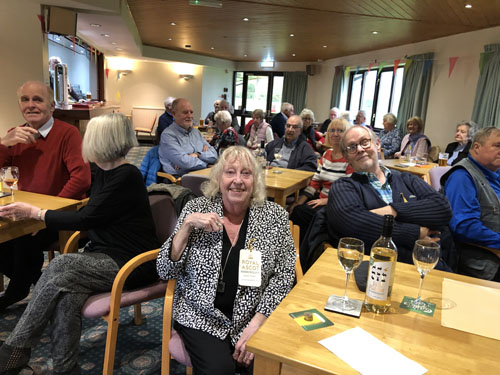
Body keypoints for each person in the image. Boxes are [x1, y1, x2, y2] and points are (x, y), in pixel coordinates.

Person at [0, 113, 160, 375]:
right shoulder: (102, 172)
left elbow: (86, 218)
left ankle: (13, 350)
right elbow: (88, 211)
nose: (84, 141)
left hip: (132, 262)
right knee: (66, 292)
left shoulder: (126, 176)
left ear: (100, 140)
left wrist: (36, 214)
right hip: (103, 256)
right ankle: (65, 368)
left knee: (61, 265)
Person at [156, 146, 295, 375]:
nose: (238, 181)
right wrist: (186, 227)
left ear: (256, 180)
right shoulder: (196, 209)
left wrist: (259, 322)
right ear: (219, 178)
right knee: (219, 370)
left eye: (246, 173)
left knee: (268, 369)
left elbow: (284, 274)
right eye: (230, 172)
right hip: (201, 317)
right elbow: (164, 269)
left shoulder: (274, 216)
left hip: (253, 315)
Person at [0, 81, 91, 311]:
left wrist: (46, 214)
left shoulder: (67, 133)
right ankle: (36, 283)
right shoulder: (15, 135)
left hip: (59, 214)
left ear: (51, 106)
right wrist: (3, 144)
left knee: (22, 238)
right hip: (23, 210)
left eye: (37, 100)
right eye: (25, 100)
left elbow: (81, 179)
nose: (31, 105)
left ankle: (19, 288)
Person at [327, 125, 453, 266]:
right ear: (346, 157)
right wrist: (416, 233)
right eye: (352, 147)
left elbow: (442, 208)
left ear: (378, 144)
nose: (360, 149)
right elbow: (355, 226)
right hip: (377, 267)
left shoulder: (407, 179)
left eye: (364, 142)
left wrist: (391, 211)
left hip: (429, 265)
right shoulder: (343, 187)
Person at [442, 127, 500, 281]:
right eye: (497, 146)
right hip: (484, 262)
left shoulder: (495, 174)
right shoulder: (462, 176)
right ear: (476, 147)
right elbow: (464, 226)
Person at [289, 118, 353, 242]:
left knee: (301, 214)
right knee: (293, 209)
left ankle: (303, 252)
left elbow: (349, 190)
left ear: (347, 134)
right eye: (332, 130)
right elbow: (315, 182)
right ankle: (294, 249)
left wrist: (326, 201)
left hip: (338, 204)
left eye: (340, 130)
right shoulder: (327, 154)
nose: (335, 134)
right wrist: (299, 201)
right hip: (321, 198)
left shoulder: (350, 157)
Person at [159, 98, 217, 177]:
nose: (190, 116)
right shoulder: (168, 135)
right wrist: (206, 164)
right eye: (185, 112)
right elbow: (185, 162)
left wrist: (198, 154)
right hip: (180, 181)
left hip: (202, 174)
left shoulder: (196, 132)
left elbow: (214, 155)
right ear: (173, 114)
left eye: (191, 112)